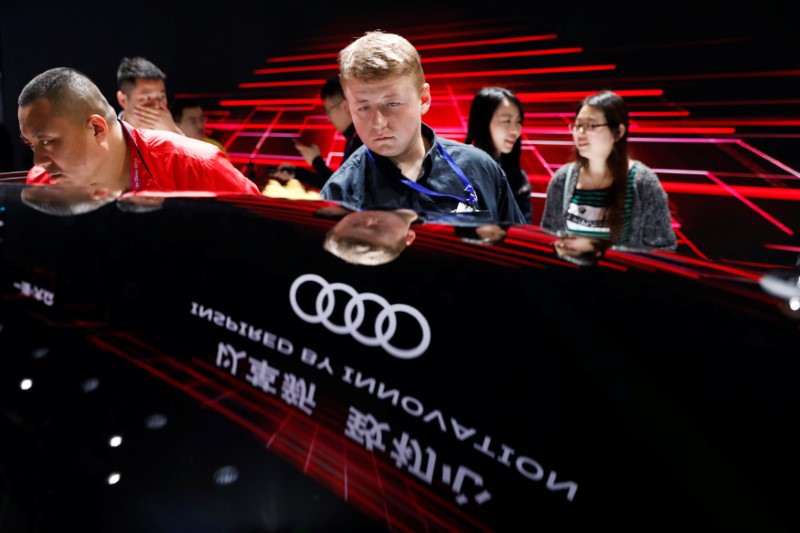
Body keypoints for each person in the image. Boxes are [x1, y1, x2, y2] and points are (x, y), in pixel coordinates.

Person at [319, 31, 526, 226]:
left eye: (392, 104)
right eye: (363, 107)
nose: (378, 122)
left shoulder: (480, 168)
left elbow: (522, 249)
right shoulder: (340, 192)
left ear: (423, 99)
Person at [18, 67, 261, 196]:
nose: (39, 162)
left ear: (96, 128)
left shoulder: (196, 166)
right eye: (31, 145)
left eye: (47, 141)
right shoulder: (40, 180)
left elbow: (267, 234)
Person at [540, 90, 676, 264]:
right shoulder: (562, 178)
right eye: (577, 125)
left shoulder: (642, 181)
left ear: (618, 132)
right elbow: (548, 237)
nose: (580, 132)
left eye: (591, 125)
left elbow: (663, 249)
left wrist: (597, 248)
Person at [465, 87, 532, 223]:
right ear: (483, 122)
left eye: (518, 122)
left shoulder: (518, 178)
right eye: (507, 121)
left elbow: (524, 228)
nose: (515, 130)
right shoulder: (458, 171)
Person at [293, 76, 362, 187]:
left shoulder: (364, 143)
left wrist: (316, 161)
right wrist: (296, 173)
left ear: (345, 106)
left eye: (329, 111)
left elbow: (341, 190)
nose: (328, 118)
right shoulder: (356, 139)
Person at [321, 207, 420, 265]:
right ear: (409, 236)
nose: (369, 221)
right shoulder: (434, 208)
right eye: (378, 229)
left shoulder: (359, 190)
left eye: (354, 224)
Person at [116, 56, 183, 135]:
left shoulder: (172, 132)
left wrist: (173, 132)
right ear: (123, 100)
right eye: (148, 98)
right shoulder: (109, 135)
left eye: (162, 97)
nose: (158, 106)